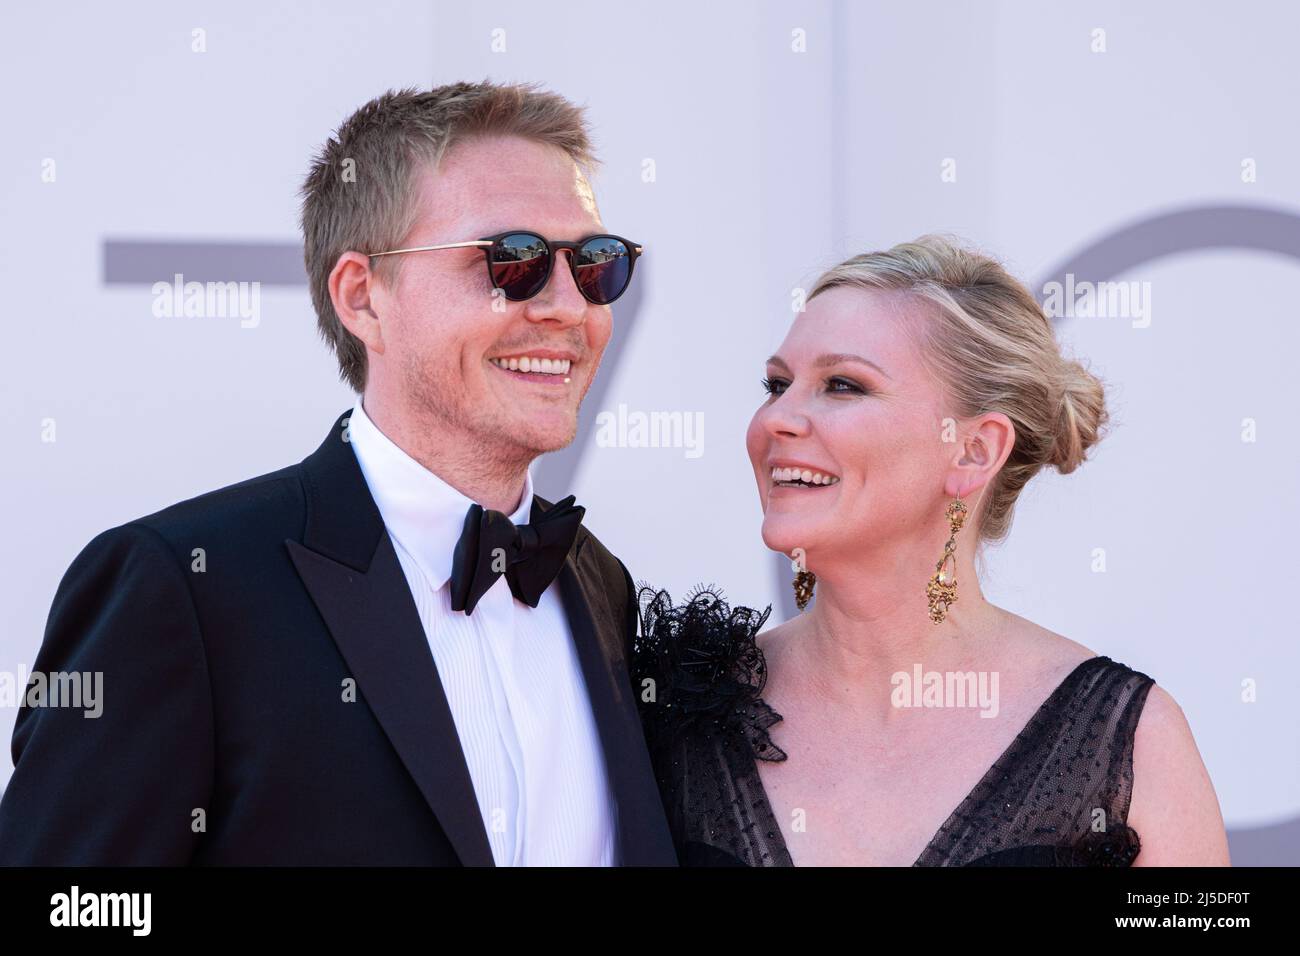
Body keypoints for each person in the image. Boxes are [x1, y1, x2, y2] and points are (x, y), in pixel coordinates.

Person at [0, 82, 675, 866]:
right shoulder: (183, 585)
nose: (568, 306)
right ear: (364, 297)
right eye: (513, 261)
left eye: (595, 264)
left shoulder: (601, 589)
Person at [633, 235, 1230, 866]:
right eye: (775, 384)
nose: (777, 419)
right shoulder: (680, 705)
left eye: (842, 385)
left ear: (974, 451)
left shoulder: (1129, 740)